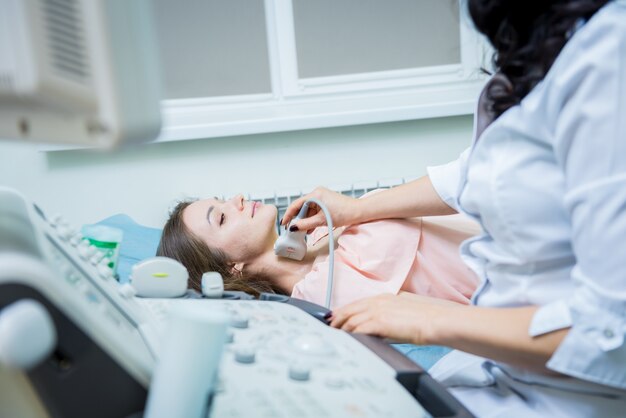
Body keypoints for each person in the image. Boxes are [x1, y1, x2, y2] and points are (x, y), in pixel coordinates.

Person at [281, 0, 626, 416]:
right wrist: (355, 209)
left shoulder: (607, 55)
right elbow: (475, 173)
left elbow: (610, 332)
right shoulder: (534, 57)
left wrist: (431, 319)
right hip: (499, 366)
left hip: (572, 394)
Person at [156, 190, 480, 309]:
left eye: (224, 198)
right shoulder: (321, 298)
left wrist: (355, 209)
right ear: (230, 269)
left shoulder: (323, 224)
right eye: (223, 216)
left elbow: (455, 189)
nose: (238, 197)